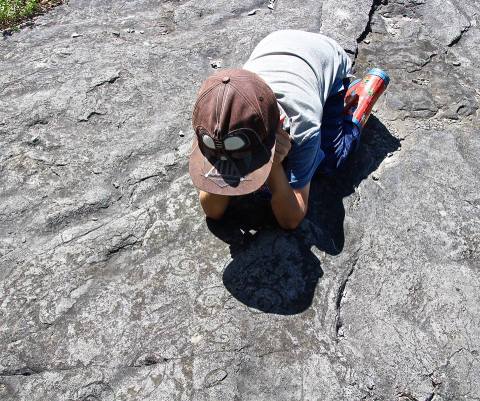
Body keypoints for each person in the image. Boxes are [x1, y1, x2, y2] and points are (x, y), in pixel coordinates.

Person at [188, 30, 389, 230]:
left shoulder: (302, 125)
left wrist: (272, 165)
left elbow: (291, 219)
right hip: (279, 45)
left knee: (328, 162)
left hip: (324, 56)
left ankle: (354, 103)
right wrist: (223, 164)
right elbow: (212, 211)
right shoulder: (214, 121)